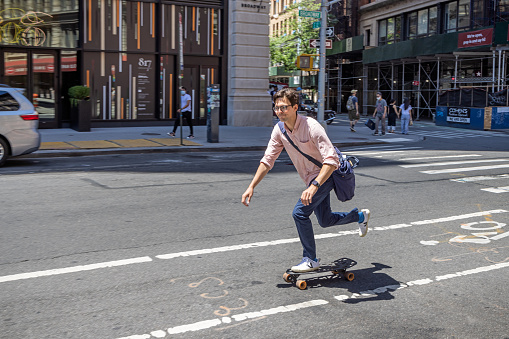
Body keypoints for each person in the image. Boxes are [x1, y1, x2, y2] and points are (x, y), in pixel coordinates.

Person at [241, 88, 370, 273]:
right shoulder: (279, 130)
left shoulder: (312, 126)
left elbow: (331, 160)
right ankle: (359, 216)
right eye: (276, 108)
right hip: (312, 179)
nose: (279, 112)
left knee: (299, 213)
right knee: (325, 220)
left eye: (284, 107)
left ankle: (310, 259)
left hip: (326, 176)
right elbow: (267, 160)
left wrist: (315, 185)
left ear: (295, 107)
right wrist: (251, 186)